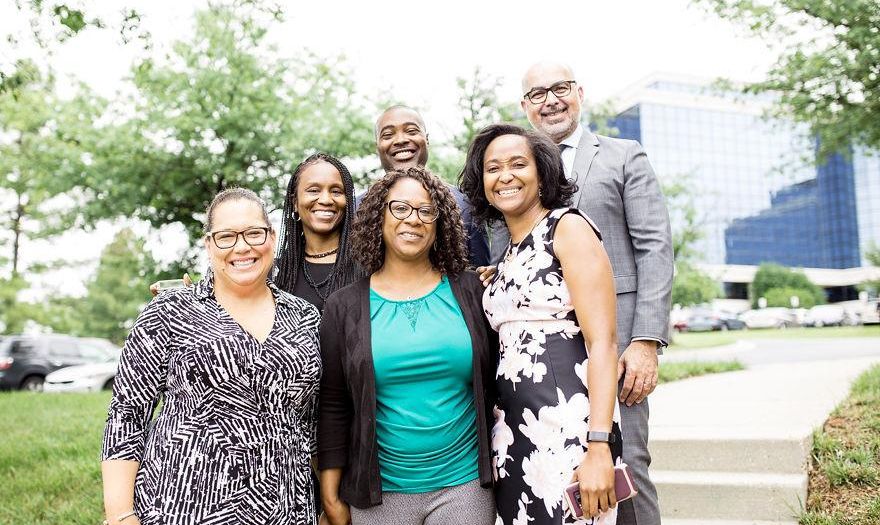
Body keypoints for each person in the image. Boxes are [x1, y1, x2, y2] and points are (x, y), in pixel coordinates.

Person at [508, 61, 674, 525]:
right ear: (525, 106)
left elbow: (655, 248)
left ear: (579, 92)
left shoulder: (623, 155)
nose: (550, 101)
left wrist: (645, 341)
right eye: (537, 94)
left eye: (559, 89)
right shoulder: (513, 174)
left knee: (626, 466)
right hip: (541, 359)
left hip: (614, 346)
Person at [102, 188, 322, 525]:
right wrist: (120, 515)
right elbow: (126, 414)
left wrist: (326, 505)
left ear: (271, 237)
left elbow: (315, 421)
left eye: (253, 233)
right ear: (208, 245)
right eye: (226, 237)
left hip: (286, 509)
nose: (242, 246)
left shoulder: (305, 316)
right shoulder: (170, 311)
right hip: (181, 508)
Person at [460, 123, 623, 525]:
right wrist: (495, 278)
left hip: (569, 432)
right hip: (514, 435)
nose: (505, 176)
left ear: (542, 171)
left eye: (518, 164)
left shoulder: (568, 228)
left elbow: (603, 343)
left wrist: (598, 447)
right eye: (493, 168)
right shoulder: (509, 253)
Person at [317, 166, 497, 525]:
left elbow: (502, 382)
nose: (412, 219)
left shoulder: (473, 291)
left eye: (425, 210)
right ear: (377, 217)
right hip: (380, 494)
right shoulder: (344, 307)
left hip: (465, 488)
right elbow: (334, 404)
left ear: (440, 221)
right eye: (399, 208)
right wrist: (330, 494)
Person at [371, 105, 490, 268]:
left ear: (426, 139)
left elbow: (479, 276)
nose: (401, 140)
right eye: (388, 134)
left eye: (411, 131)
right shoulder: (356, 208)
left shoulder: (464, 205)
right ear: (377, 145)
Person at [275, 152, 362, 311]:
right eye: (314, 190)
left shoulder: (368, 266)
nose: (326, 200)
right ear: (295, 202)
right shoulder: (277, 272)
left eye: (336, 191)